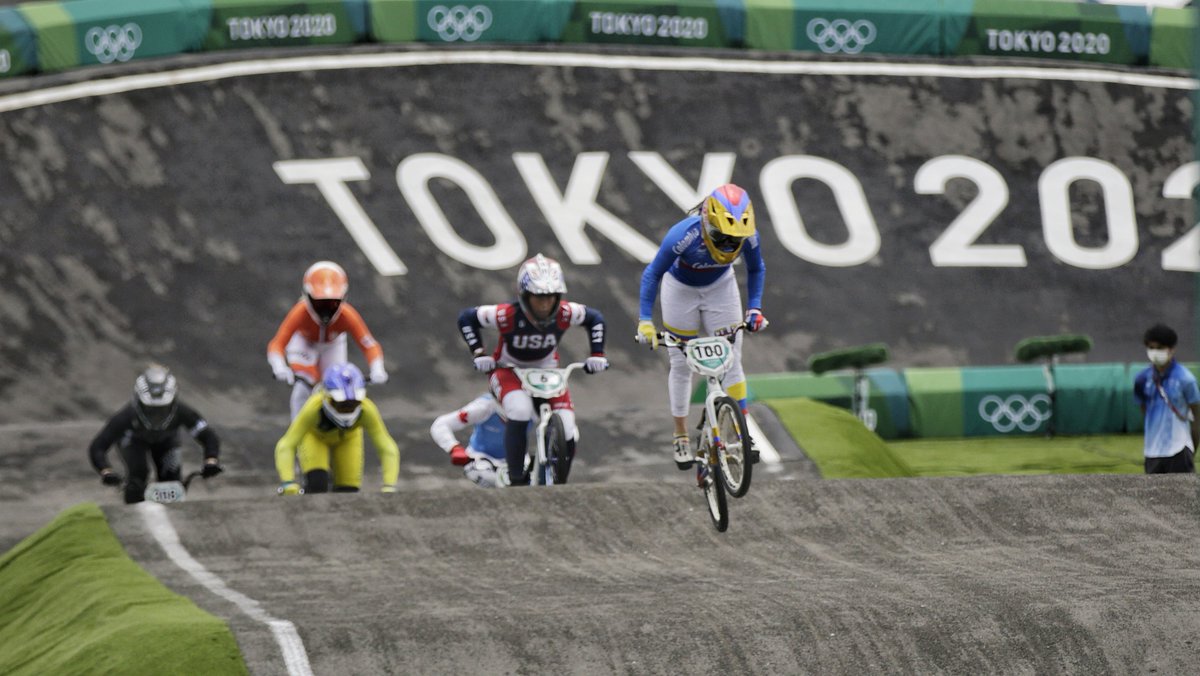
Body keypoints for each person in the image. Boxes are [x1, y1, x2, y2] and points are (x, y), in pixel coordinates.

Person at [635, 183, 767, 469]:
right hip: (680, 290)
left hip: (721, 288)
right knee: (681, 364)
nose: (730, 245)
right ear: (708, 223)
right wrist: (645, 321)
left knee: (732, 360)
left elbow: (757, 268)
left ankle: (741, 430)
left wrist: (754, 307)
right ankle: (680, 433)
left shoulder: (751, 235)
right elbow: (652, 273)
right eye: (722, 236)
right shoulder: (684, 235)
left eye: (737, 239)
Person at [456, 253, 608, 486]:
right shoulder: (505, 315)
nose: (545, 304)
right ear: (525, 296)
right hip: (508, 370)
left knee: (567, 427)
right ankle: (517, 477)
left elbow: (595, 318)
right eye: (539, 297)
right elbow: (467, 318)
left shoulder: (566, 312)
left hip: (547, 371)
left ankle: (558, 475)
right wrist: (479, 353)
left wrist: (597, 354)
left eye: (550, 297)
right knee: (519, 410)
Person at [267, 260, 388, 419]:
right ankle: (296, 430)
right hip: (304, 344)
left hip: (333, 345)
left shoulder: (347, 315)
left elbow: (369, 344)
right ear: (307, 297)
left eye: (332, 303)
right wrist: (279, 367)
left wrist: (377, 368)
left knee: (337, 388)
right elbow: (277, 343)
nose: (325, 311)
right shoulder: (300, 312)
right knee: (304, 385)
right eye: (319, 303)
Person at [88, 365, 223, 504]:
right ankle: (134, 509)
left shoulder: (182, 411)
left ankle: (172, 513)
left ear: (173, 403)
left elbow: (208, 436)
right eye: (151, 410)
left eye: (162, 409)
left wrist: (211, 460)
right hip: (134, 442)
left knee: (172, 480)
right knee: (138, 476)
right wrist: (106, 471)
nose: (157, 417)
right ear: (139, 403)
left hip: (166, 441)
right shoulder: (126, 417)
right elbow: (98, 446)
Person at [274, 362, 400, 494]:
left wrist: (389, 485)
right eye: (341, 404)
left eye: (353, 404)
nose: (347, 410)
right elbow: (287, 444)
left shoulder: (367, 409)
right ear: (327, 398)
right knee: (317, 485)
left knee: (348, 489)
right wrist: (288, 482)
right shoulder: (314, 407)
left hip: (348, 440)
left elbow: (386, 446)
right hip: (315, 438)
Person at [1133, 323, 1200, 474]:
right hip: (1152, 452)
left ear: (1171, 349)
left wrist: (1192, 449)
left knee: (1184, 495)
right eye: (1151, 347)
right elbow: (1144, 409)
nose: (1155, 352)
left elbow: (1197, 416)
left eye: (1160, 348)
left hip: (1179, 449)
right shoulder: (1141, 379)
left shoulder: (1185, 379)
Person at [429, 393, 511, 487]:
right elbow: (440, 424)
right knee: (494, 481)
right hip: (480, 460)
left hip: (516, 460)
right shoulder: (484, 406)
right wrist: (454, 448)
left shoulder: (528, 407)